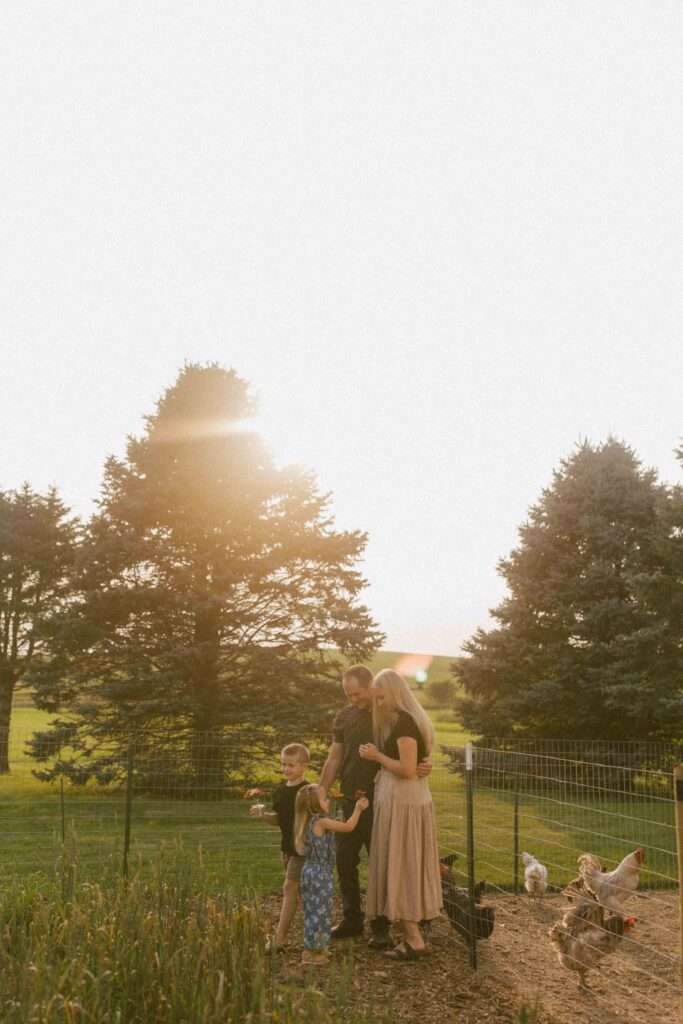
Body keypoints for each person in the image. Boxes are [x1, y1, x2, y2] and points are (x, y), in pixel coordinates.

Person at [319, 665, 432, 950]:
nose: (353, 699)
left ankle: (381, 926)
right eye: (348, 694)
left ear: (371, 687)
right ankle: (352, 918)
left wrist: (425, 764)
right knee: (344, 861)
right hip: (348, 798)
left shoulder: (387, 716)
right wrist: (321, 791)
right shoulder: (344, 717)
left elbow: (410, 748)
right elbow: (335, 758)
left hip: (381, 801)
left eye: (357, 693)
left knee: (382, 862)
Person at [360, 669, 442, 961]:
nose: (378, 703)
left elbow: (408, 770)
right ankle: (411, 933)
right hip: (401, 798)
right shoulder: (404, 721)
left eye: (381, 697)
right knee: (403, 860)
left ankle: (414, 939)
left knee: (402, 862)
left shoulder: (405, 724)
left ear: (394, 693)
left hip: (403, 800)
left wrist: (377, 757)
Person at [294, 782, 369, 964]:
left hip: (312, 872)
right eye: (324, 798)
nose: (327, 800)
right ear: (316, 805)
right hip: (319, 874)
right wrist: (358, 809)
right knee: (319, 913)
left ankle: (317, 948)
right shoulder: (321, 822)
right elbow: (349, 827)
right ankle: (310, 953)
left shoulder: (310, 822)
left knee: (317, 911)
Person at [249, 742, 310, 952]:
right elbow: (279, 819)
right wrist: (264, 816)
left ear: (305, 766)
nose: (286, 769)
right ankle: (314, 932)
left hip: (302, 849)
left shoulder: (308, 791)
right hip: (286, 848)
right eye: (283, 765)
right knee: (300, 893)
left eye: (291, 765)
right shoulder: (281, 791)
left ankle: (280, 938)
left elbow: (318, 819)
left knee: (289, 888)